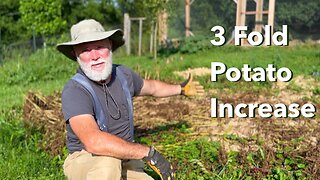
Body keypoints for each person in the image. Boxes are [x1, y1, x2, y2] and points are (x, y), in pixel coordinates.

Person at [56, 19, 204, 180]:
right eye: (85, 50)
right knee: (108, 164)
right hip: (87, 160)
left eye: (99, 47)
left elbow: (152, 88)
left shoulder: (123, 75)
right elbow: (94, 142)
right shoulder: (75, 90)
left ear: (110, 46)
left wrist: (181, 89)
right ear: (75, 54)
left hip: (126, 161)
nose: (95, 56)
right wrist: (148, 153)